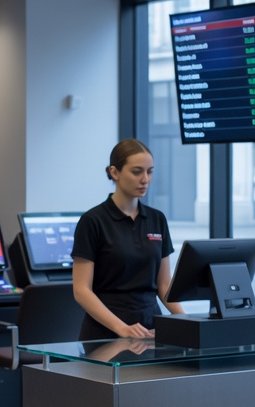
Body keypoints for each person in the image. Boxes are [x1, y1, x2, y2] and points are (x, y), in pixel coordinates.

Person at [71, 138, 184, 340]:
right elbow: (81, 291)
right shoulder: (93, 221)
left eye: (149, 172)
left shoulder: (157, 219)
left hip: (151, 331)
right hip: (105, 332)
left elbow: (164, 285)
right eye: (137, 171)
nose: (145, 179)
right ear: (115, 172)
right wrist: (122, 328)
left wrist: (187, 321)